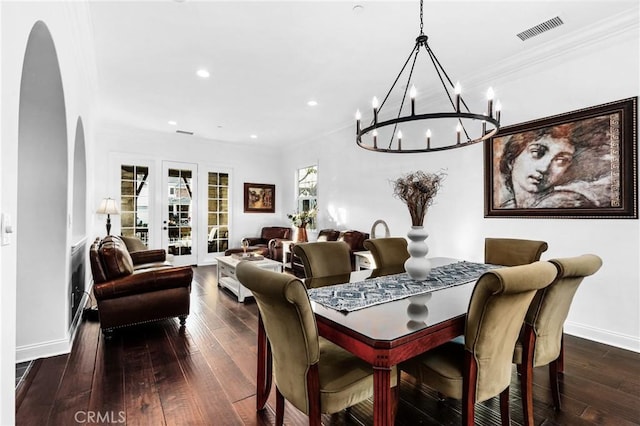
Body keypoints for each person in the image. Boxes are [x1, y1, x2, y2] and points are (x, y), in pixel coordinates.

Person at [498, 123, 597, 208]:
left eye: (561, 160)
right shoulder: (507, 207)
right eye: (537, 153)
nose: (544, 168)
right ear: (512, 160)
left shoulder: (570, 203)